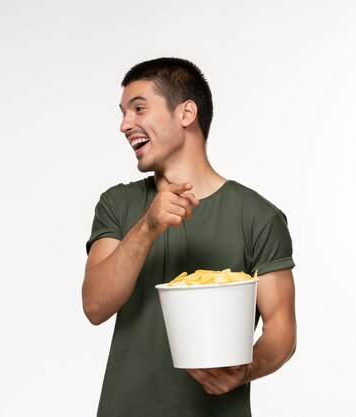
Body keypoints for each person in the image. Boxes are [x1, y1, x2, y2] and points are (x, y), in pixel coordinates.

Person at [82, 57, 296, 417]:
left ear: (186, 113)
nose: (124, 125)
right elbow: (95, 306)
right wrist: (148, 226)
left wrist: (245, 370)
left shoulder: (259, 217)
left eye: (138, 109)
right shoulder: (118, 204)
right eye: (122, 112)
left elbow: (282, 331)